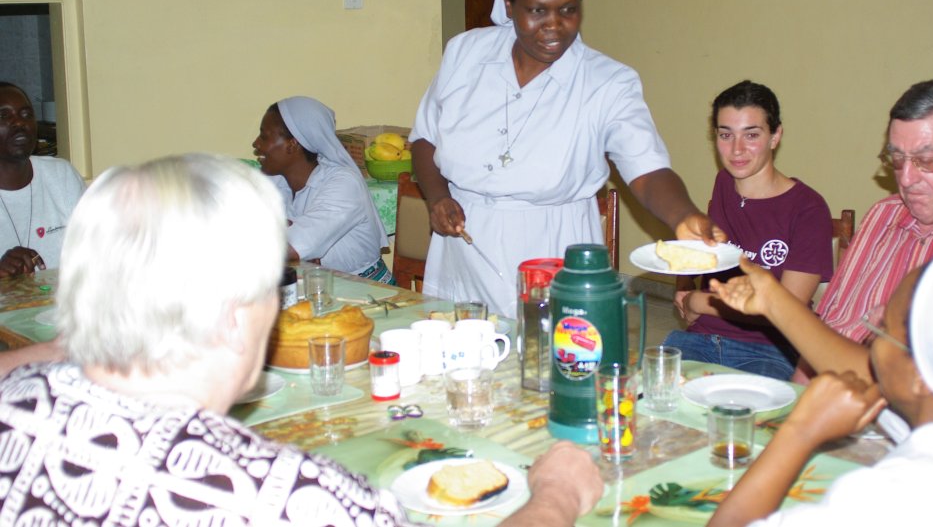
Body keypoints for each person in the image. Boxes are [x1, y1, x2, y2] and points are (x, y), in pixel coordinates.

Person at [0, 153, 604, 526]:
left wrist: (83, 342)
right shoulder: (298, 498)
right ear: (237, 313)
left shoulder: (19, 406)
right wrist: (554, 498)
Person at [410, 0, 724, 317]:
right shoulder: (465, 54)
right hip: (463, 250)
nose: (554, 25)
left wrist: (683, 215)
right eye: (537, 10)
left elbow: (646, 169)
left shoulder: (607, 82)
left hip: (552, 250)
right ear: (509, 5)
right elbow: (425, 137)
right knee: (462, 365)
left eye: (567, 9)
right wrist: (438, 197)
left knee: (556, 364)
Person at [711, 76, 933, 384]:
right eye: (896, 160)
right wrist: (795, 403)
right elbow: (829, 330)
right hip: (827, 399)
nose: (906, 179)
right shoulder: (883, 216)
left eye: (926, 160)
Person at [707, 252, 933, 527]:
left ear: (921, 376)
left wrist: (799, 432)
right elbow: (866, 371)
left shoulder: (898, 497)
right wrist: (773, 300)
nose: (872, 340)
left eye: (884, 329)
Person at [663, 81, 833, 379]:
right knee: (647, 399)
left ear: (775, 136)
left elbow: (788, 311)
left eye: (751, 135)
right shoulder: (724, 183)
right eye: (725, 135)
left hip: (768, 351)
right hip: (699, 339)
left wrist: (698, 301)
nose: (736, 150)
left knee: (744, 420)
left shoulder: (808, 208)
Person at [252, 96, 393, 282]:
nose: (256, 144)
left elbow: (288, 248)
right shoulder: (274, 180)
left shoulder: (344, 183)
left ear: (292, 145)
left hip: (369, 294)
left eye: (264, 136)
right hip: (315, 289)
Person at [0, 81, 85, 277]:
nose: (19, 123)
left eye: (26, 115)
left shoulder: (61, 176)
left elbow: (98, 250)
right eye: (4, 115)